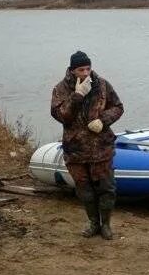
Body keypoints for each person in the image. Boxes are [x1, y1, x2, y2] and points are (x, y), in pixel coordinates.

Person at [51, 51, 124, 240]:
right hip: (75, 149)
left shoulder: (102, 85)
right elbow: (61, 116)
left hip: (101, 147)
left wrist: (103, 120)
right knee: (84, 191)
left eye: (88, 68)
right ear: (72, 70)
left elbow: (118, 107)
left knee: (107, 188)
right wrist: (77, 96)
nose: (85, 73)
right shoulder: (60, 89)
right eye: (80, 69)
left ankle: (106, 225)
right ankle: (93, 223)